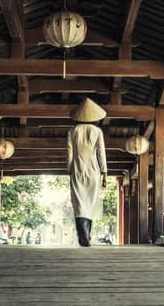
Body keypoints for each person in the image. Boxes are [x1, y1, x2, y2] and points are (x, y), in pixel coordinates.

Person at [66, 97, 108, 247]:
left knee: (79, 204)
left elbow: (70, 154)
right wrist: (104, 173)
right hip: (94, 172)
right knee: (90, 203)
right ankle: (86, 236)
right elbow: (101, 154)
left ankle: (83, 236)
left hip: (77, 171)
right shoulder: (97, 131)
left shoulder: (72, 131)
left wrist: (69, 170)